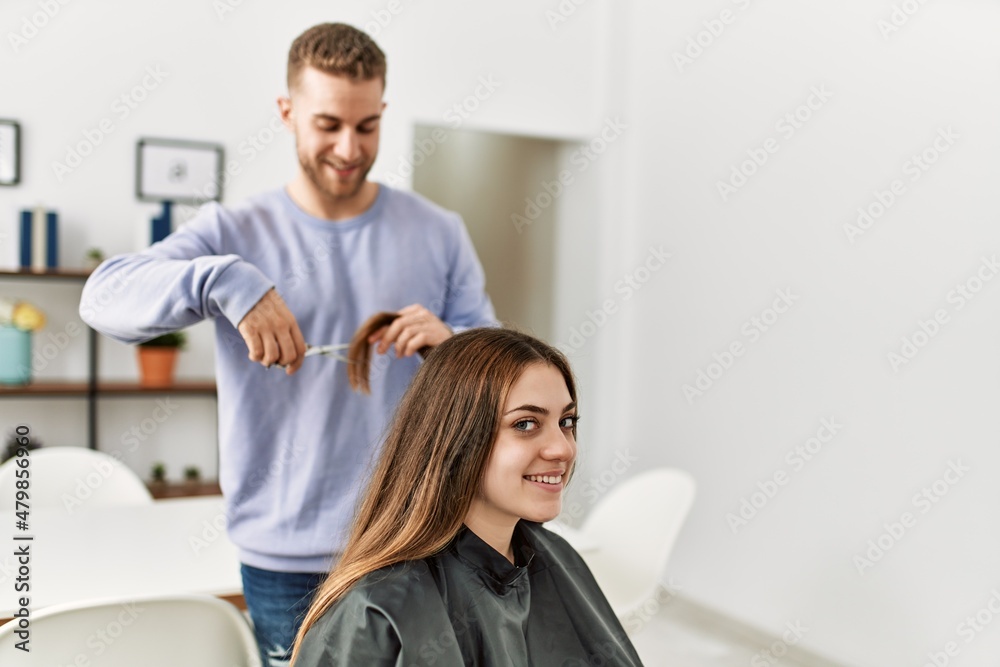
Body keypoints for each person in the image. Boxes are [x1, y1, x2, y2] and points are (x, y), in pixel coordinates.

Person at [79, 22, 496, 666]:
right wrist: (222, 278)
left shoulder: (439, 231)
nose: (348, 148)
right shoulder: (232, 231)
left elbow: (500, 369)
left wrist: (454, 344)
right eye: (328, 124)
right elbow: (102, 298)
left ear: (383, 111)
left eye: (366, 126)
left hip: (415, 538)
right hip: (285, 562)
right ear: (287, 111)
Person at [291, 328, 645, 666]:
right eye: (525, 424)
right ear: (457, 439)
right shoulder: (379, 611)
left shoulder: (558, 560)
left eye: (566, 422)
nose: (562, 449)